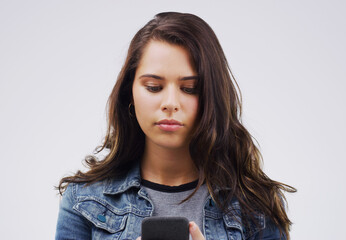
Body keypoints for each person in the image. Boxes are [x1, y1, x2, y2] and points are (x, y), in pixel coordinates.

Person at [55, 12, 296, 240]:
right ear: (130, 93)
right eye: (153, 87)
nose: (170, 104)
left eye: (190, 89)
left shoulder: (256, 206)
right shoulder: (83, 200)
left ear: (212, 98)